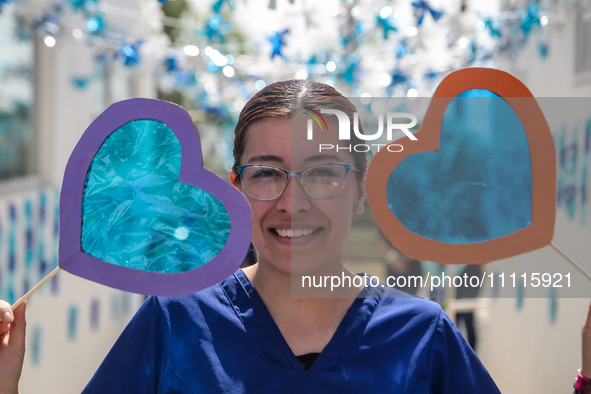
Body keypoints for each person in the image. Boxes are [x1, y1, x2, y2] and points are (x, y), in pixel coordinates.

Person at [0, 80, 500, 393]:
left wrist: (584, 376)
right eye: (266, 173)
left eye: (323, 172)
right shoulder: (174, 324)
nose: (293, 202)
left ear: (360, 191)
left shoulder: (422, 337)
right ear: (235, 187)